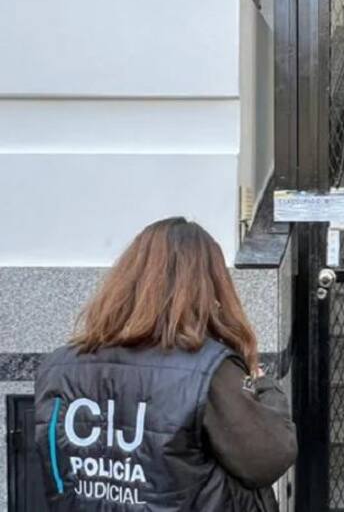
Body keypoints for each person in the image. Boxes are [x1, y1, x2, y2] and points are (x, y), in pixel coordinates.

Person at [34, 217, 297, 511]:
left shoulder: (58, 366)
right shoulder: (207, 370)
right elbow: (267, 459)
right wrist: (264, 387)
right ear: (208, 287)